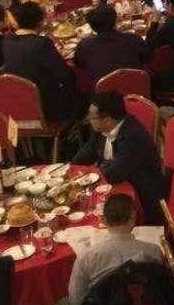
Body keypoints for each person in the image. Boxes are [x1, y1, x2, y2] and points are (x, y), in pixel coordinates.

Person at [69, 91, 167, 221]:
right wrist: (71, 167)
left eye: (91, 117)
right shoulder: (100, 128)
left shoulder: (133, 136)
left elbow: (115, 174)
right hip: (116, 183)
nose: (88, 120)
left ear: (107, 120)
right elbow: (89, 150)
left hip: (140, 195)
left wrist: (92, 175)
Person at [67, 192, 161, 305]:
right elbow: (159, 285)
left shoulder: (86, 258)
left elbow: (76, 300)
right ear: (133, 218)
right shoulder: (153, 251)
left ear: (104, 220)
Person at [3, 1, 80, 121]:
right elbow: (65, 75)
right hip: (45, 106)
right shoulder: (41, 43)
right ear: (40, 22)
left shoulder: (6, 41)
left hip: (19, 102)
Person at [71, 5, 151, 94]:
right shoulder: (134, 39)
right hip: (138, 92)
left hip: (104, 98)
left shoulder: (84, 46)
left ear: (92, 27)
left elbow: (78, 66)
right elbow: (147, 58)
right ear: (115, 20)